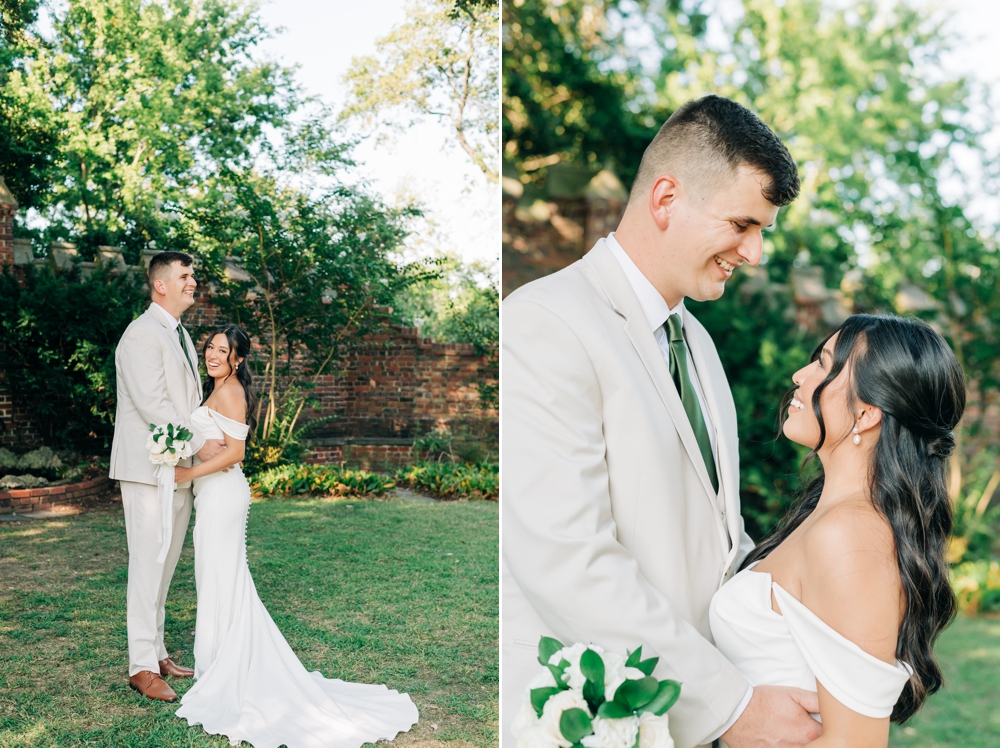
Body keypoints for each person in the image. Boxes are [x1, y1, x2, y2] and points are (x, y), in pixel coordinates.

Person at [502, 95, 823, 748]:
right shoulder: (544, 323)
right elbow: (568, 559)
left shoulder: (698, 346)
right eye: (742, 224)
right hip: (584, 715)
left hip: (682, 716)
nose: (755, 252)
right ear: (666, 199)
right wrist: (734, 707)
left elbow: (718, 541)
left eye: (762, 230)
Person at [711, 314, 963, 747]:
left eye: (825, 366)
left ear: (866, 413)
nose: (800, 376)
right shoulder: (828, 519)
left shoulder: (849, 538)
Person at [172, 323, 419, 747]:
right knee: (217, 578)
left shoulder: (229, 391)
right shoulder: (214, 388)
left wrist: (188, 472)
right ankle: (216, 665)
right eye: (210, 347)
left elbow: (237, 452)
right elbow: (214, 441)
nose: (212, 355)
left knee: (221, 578)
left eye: (222, 350)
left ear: (239, 358)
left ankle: (224, 671)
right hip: (212, 493)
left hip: (223, 496)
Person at [110, 250, 227, 703]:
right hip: (147, 471)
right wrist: (201, 446)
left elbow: (185, 404)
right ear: (161, 284)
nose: (192, 281)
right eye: (185, 275)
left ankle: (157, 651)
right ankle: (140, 666)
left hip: (174, 470)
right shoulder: (141, 335)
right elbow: (153, 405)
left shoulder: (176, 333)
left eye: (193, 274)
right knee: (147, 567)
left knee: (164, 567)